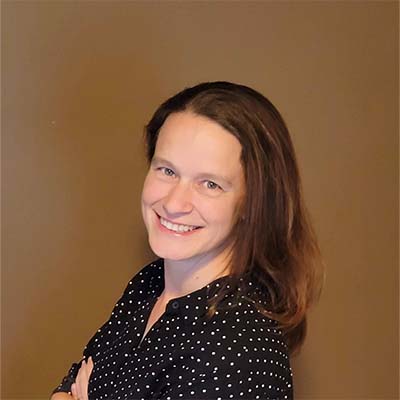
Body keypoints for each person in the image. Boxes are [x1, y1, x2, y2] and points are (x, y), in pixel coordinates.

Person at [51, 81, 323, 400]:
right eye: (167, 170)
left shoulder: (237, 351)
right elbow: (70, 384)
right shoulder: (149, 284)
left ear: (254, 204)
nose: (173, 203)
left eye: (209, 184)